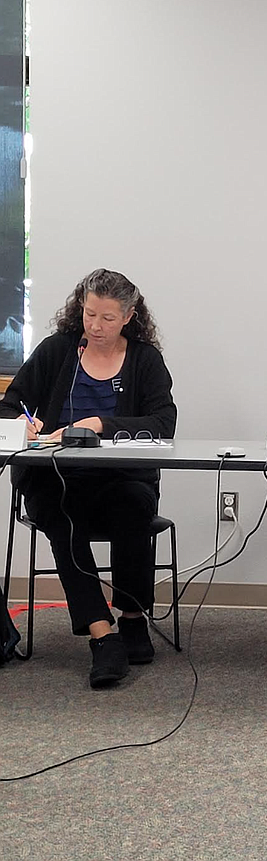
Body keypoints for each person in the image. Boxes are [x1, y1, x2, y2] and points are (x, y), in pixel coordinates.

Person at [0, 269, 176, 688]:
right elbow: (9, 406)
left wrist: (101, 423)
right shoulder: (56, 351)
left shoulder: (144, 359)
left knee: (133, 509)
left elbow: (163, 421)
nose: (95, 326)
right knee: (63, 519)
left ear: (130, 317)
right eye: (89, 314)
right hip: (54, 477)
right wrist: (22, 425)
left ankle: (132, 618)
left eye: (108, 318)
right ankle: (102, 634)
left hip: (121, 476)